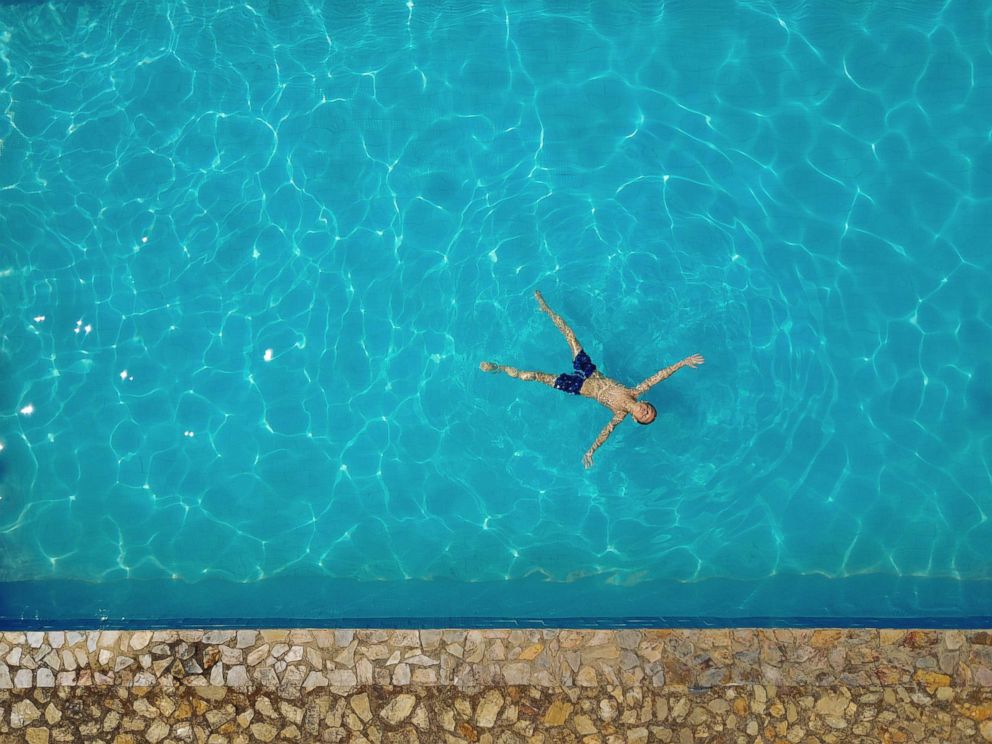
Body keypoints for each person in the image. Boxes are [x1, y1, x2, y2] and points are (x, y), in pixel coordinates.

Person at [480, 290, 704, 468]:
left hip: (576, 386)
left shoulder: (619, 416)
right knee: (569, 334)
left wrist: (591, 451)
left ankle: (498, 368)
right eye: (649, 409)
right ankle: (545, 308)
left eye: (645, 416)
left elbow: (604, 434)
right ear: (644, 403)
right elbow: (659, 377)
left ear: (636, 419)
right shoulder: (636, 391)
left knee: (532, 376)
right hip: (588, 371)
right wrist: (683, 362)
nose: (646, 412)